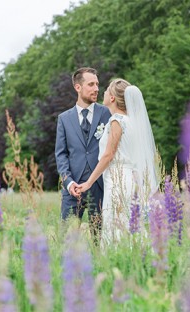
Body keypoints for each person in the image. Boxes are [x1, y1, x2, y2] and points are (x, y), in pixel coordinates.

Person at [78, 78, 158, 244]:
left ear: (112, 98)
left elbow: (109, 155)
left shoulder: (117, 121)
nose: (104, 92)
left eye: (107, 90)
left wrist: (89, 182)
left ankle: (118, 262)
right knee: (130, 224)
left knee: (116, 225)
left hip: (118, 180)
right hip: (130, 180)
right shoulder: (132, 122)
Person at [55, 67, 112, 240]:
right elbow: (61, 154)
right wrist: (69, 183)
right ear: (78, 87)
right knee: (66, 239)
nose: (96, 88)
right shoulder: (64, 119)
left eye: (97, 84)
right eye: (91, 84)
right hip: (73, 189)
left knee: (100, 240)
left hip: (100, 187)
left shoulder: (107, 113)